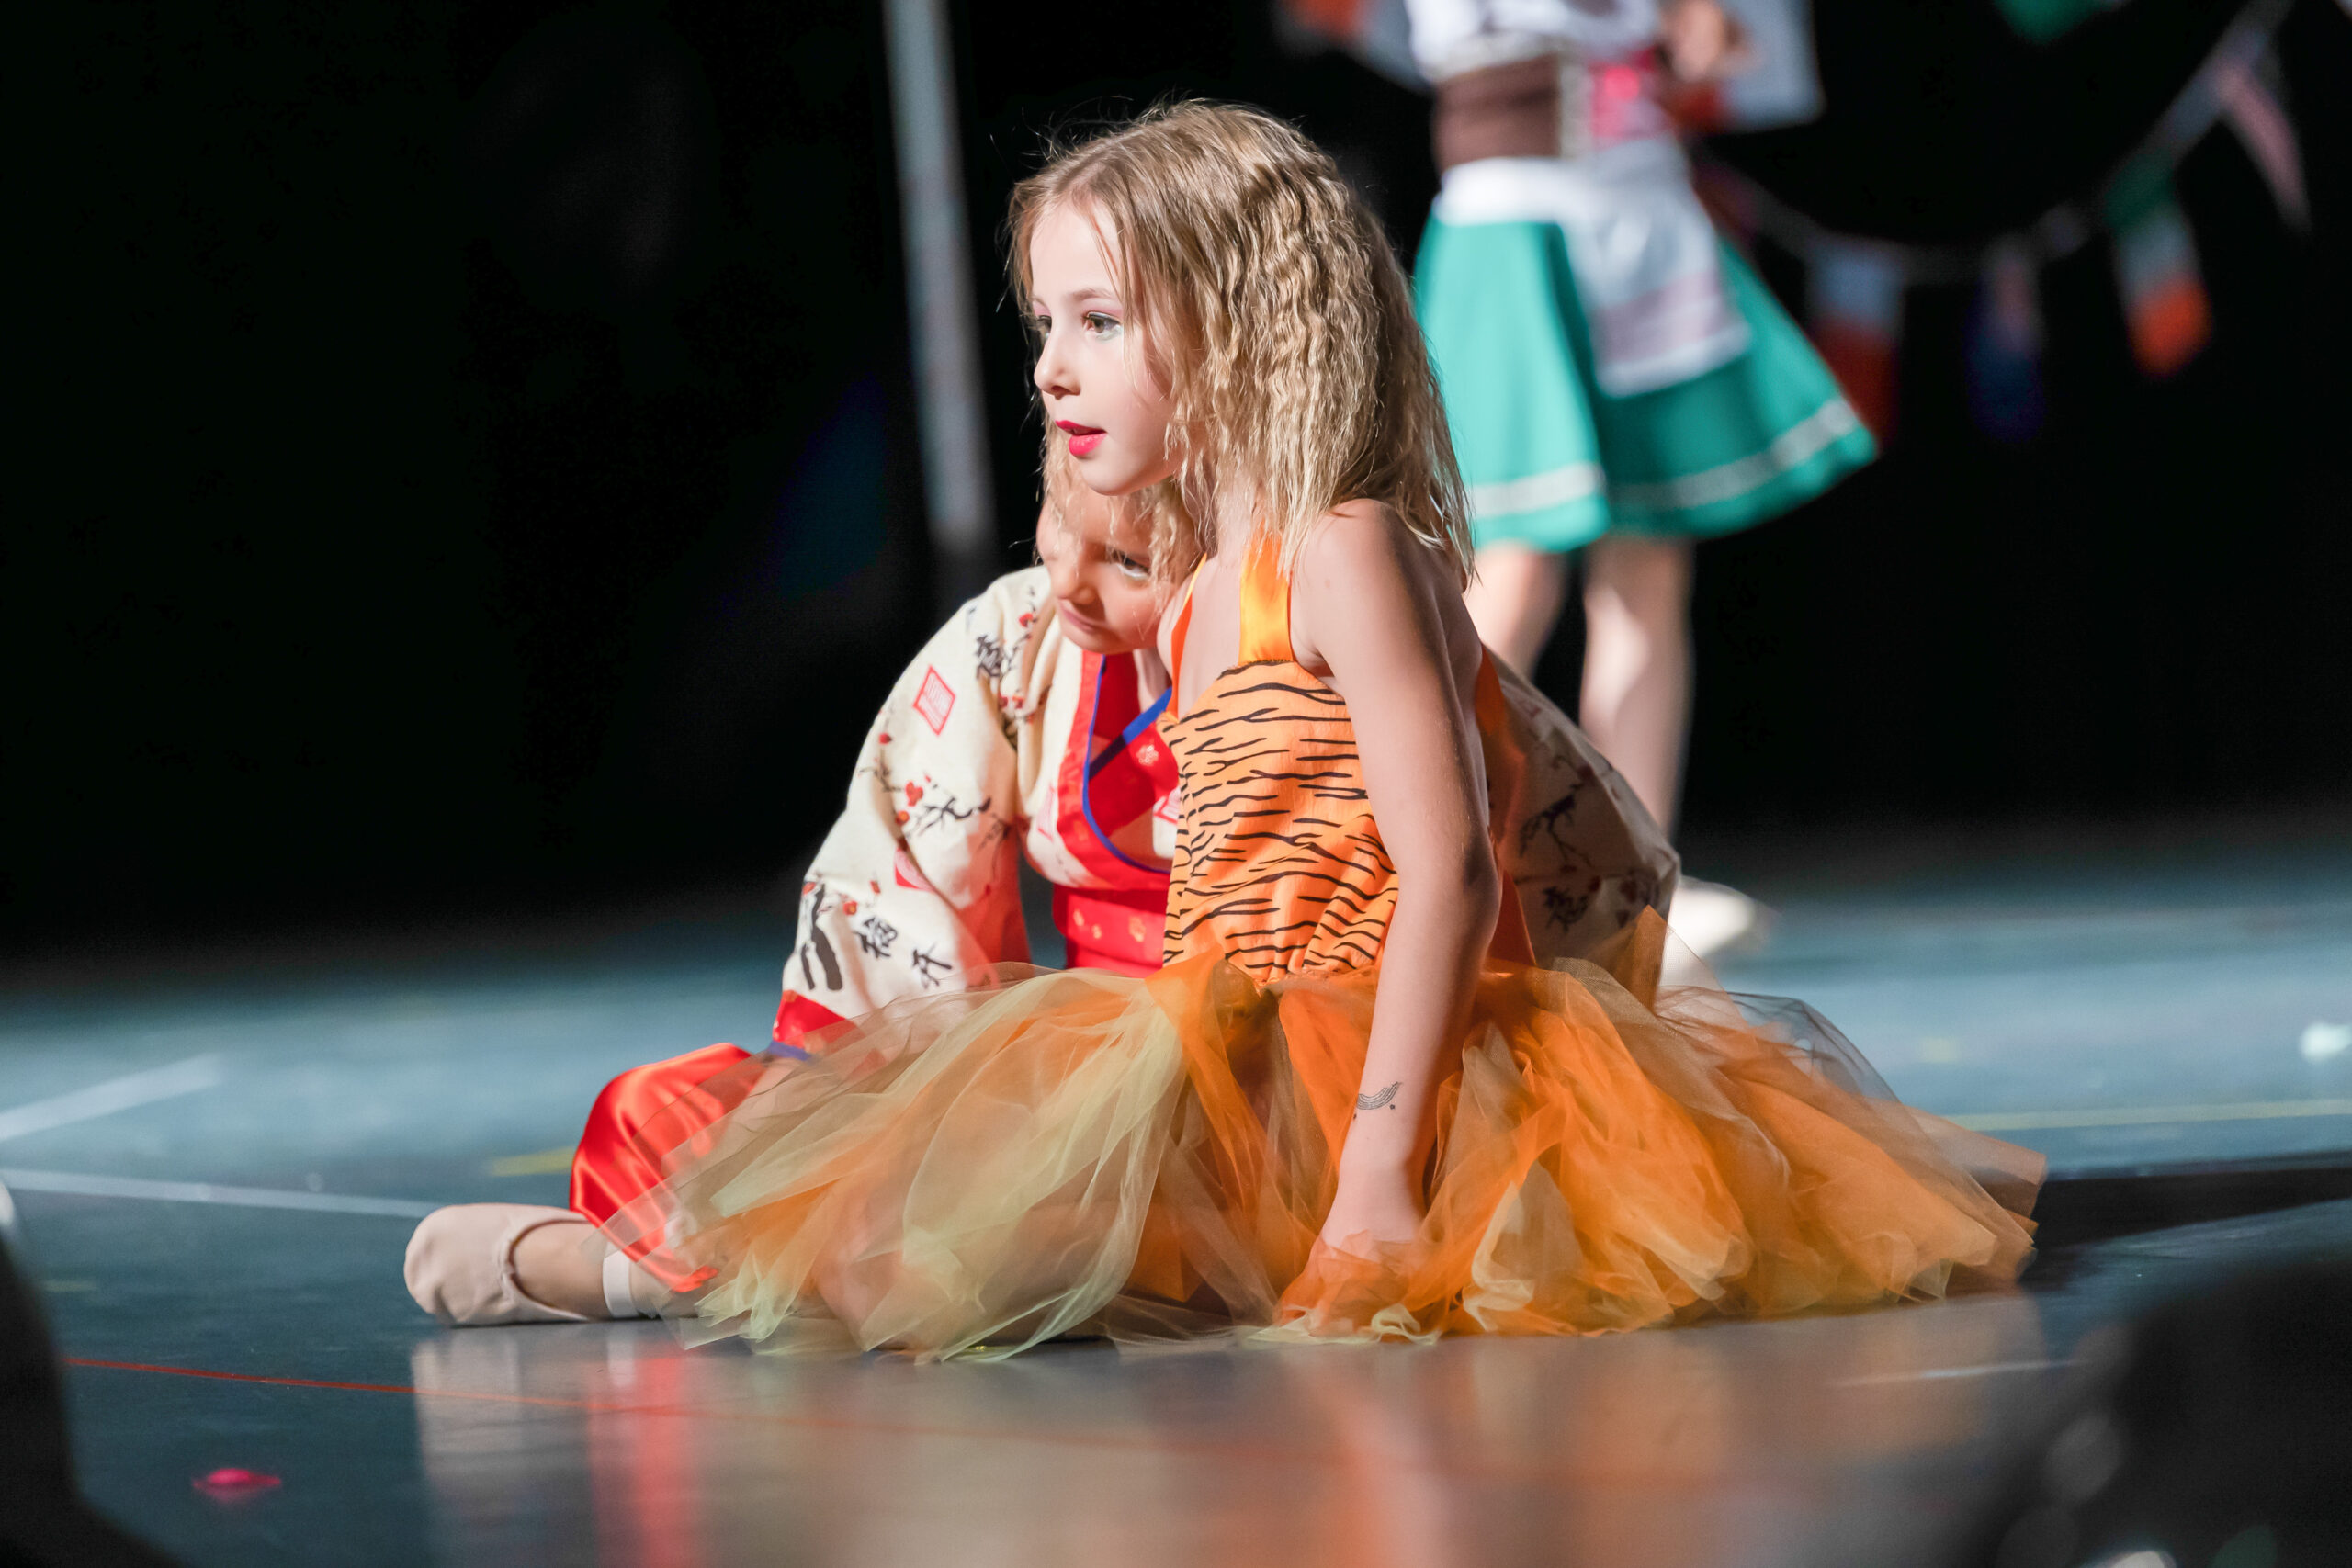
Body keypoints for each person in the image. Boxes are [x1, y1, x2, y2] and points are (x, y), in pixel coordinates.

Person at [408, 104, 2034, 1357]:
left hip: (1373, 1071)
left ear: (1245, 322)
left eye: (1101, 322)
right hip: (1221, 1043)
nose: (1054, 368)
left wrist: (1388, 1171)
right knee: (946, 1240)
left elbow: (1451, 870)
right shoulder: (1183, 593)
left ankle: (623, 1277)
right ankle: (640, 1268)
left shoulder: (1345, 551)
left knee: (981, 1265)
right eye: (1046, 325)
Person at [1406, 0, 1876, 952]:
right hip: (1516, 219)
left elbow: (1736, 55)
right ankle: (1437, 860)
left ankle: (1634, 878)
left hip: (1639, 216)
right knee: (1519, 560)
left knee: (1650, 562)